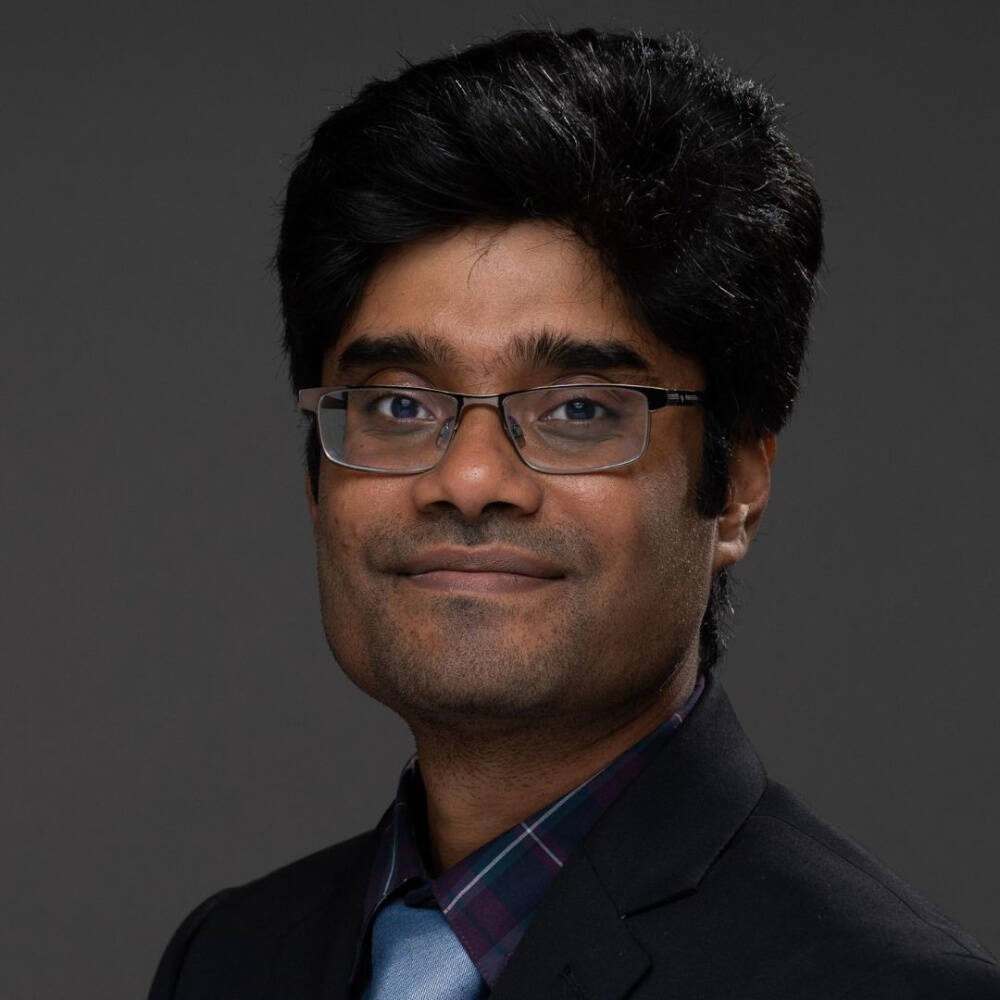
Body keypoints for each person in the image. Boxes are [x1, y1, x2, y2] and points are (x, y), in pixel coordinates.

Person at [148, 27, 1000, 1000]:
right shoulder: (230, 958)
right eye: (397, 405)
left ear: (737, 488)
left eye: (579, 410)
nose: (469, 479)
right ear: (316, 480)